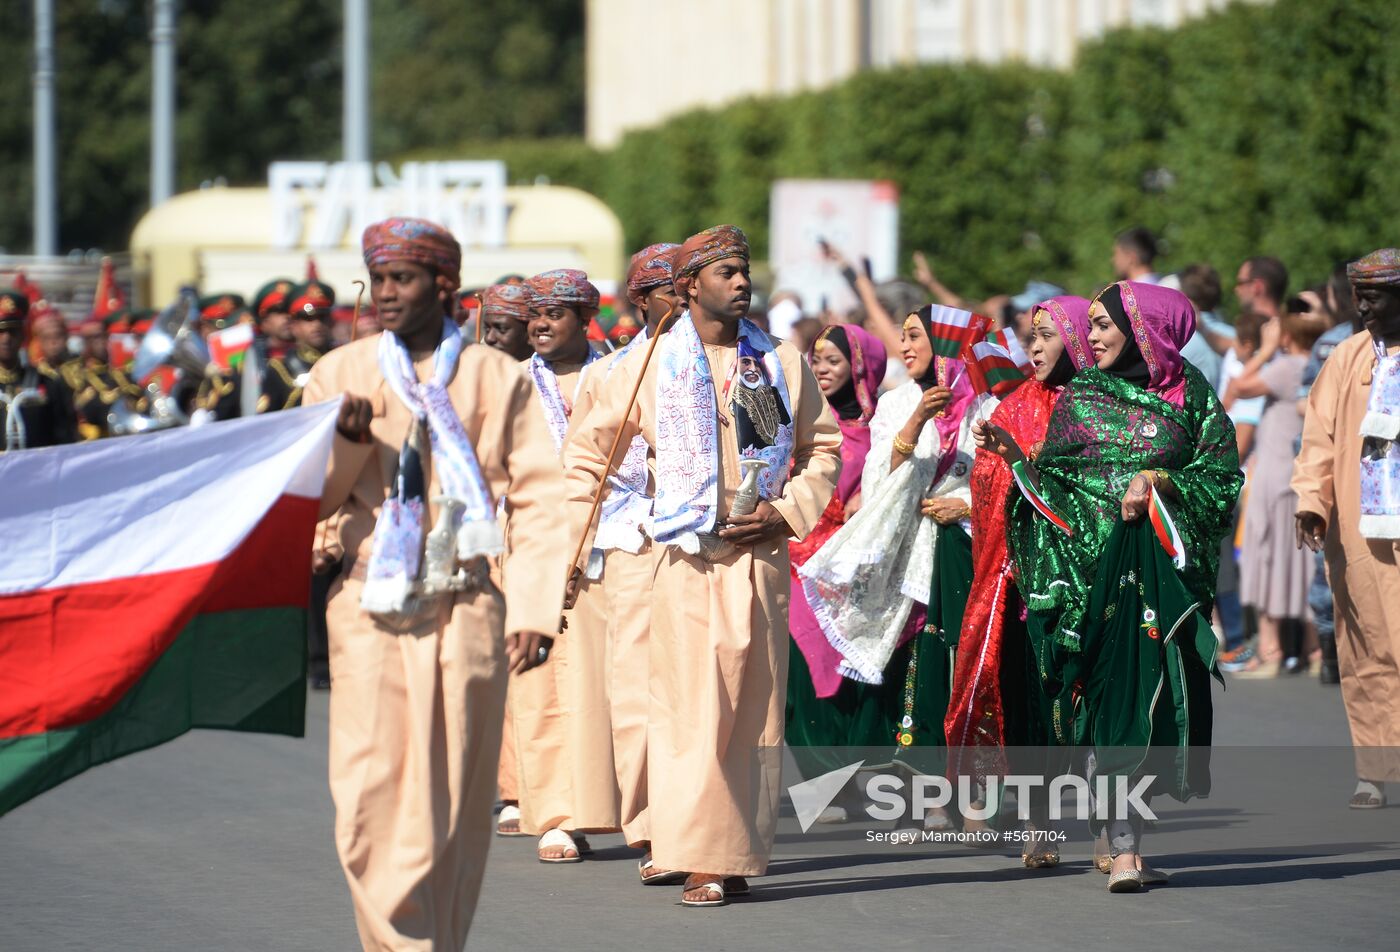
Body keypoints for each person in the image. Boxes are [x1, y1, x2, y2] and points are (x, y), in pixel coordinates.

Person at [303, 217, 566, 950]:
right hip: (368, 608)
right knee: (368, 804)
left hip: (468, 607)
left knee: (455, 807)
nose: (385, 294)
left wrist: (537, 609)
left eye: (403, 279)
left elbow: (543, 499)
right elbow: (310, 506)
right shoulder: (340, 375)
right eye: (378, 278)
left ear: (443, 286)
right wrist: (350, 447)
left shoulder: (496, 378)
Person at [563, 225, 841, 907]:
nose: (742, 282)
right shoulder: (644, 365)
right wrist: (580, 545)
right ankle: (693, 852)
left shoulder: (778, 361)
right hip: (682, 558)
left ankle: (728, 854)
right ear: (689, 287)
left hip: (760, 558)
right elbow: (585, 461)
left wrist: (784, 511)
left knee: (750, 711)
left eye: (744, 270)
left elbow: (823, 449)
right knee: (688, 710)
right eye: (726, 272)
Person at [1006, 281, 1241, 892]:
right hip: (1087, 576)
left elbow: (1219, 477)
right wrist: (1021, 477)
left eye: (1107, 324)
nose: (1097, 336)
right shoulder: (1082, 395)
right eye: (1093, 325)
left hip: (1160, 578)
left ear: (1147, 329)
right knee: (1104, 702)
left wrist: (1159, 479)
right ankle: (1120, 840)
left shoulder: (1191, 394)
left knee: (1148, 701)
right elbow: (1052, 483)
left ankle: (1126, 842)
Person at [797, 304, 990, 829]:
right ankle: (932, 795)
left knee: (967, 667)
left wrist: (968, 507)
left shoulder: (988, 406)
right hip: (911, 553)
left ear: (948, 341)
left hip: (970, 550)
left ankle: (974, 797)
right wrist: (918, 419)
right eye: (902, 338)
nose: (905, 347)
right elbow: (880, 481)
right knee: (920, 671)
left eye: (915, 336)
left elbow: (1003, 482)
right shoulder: (896, 403)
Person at [947, 295, 1094, 864]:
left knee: (1076, 698)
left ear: (1078, 340)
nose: (1033, 347)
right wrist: (1006, 463)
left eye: (1047, 335)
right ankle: (1037, 821)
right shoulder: (1011, 406)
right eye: (1030, 336)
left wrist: (1025, 464)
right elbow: (988, 485)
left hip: (1075, 578)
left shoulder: (1097, 408)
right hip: (1013, 575)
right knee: (1025, 697)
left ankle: (1110, 830)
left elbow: (1091, 489)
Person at [565, 242, 683, 877]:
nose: (685, 299)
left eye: (691, 286)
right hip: (635, 543)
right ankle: (652, 826)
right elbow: (583, 465)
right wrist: (571, 550)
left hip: (720, 547)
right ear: (641, 302)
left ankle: (708, 823)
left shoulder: (745, 362)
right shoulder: (610, 374)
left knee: (706, 693)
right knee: (638, 688)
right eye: (671, 288)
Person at [511, 267, 613, 862]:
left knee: (612, 681)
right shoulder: (510, 386)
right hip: (535, 546)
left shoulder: (623, 374)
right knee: (543, 682)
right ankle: (555, 816)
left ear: (585, 319)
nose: (540, 324)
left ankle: (623, 808)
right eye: (534, 314)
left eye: (554, 313)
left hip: (615, 542)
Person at [1293, 247, 1400, 809]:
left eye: (1375, 297)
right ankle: (1375, 771)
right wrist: (1312, 500)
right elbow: (1319, 439)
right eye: (1358, 296)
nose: (1362, 308)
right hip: (1359, 529)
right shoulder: (1348, 357)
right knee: (1366, 648)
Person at [784, 322, 887, 815]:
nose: (821, 370)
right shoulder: (798, 425)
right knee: (801, 673)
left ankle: (845, 780)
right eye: (816, 360)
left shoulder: (881, 432)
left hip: (850, 569)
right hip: (794, 561)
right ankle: (824, 781)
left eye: (834, 362)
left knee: (842, 671)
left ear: (862, 369)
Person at [1230, 312, 1329, 676]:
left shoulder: (1288, 365)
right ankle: (1313, 649)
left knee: (1266, 557)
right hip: (1296, 472)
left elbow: (1238, 385)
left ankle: (1270, 650)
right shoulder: (1318, 364)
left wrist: (1267, 347)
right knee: (1303, 562)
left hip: (1274, 473)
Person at [0, 290, 77, 450]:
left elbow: (64, 441)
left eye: (13, 331)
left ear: (23, 336)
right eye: (0, 332)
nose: (6, 338)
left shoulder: (48, 385)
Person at [261, 280, 335, 413]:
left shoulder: (344, 360)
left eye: (322, 317)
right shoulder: (280, 369)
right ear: (293, 325)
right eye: (307, 319)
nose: (317, 325)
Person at [480, 283, 536, 361]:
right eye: (487, 329)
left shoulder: (548, 372)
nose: (489, 338)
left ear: (530, 330)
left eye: (501, 329)